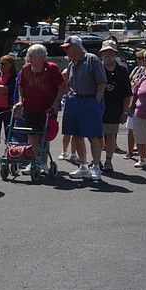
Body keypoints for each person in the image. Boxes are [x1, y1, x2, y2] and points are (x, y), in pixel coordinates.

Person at [60, 35, 107, 181]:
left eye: (68, 48)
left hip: (89, 100)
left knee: (93, 136)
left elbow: (102, 82)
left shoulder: (91, 59)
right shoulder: (71, 64)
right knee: (77, 135)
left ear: (76, 47)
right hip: (75, 101)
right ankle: (84, 166)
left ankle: (96, 168)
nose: (66, 51)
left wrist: (96, 101)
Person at [14, 44, 66, 174]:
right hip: (30, 108)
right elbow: (21, 86)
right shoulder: (26, 69)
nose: (29, 58)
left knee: (44, 136)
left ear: (42, 57)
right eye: (29, 55)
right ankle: (33, 162)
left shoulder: (51, 68)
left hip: (47, 109)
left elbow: (61, 86)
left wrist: (56, 103)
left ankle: (43, 163)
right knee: (32, 136)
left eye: (33, 56)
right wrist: (21, 100)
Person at [96, 40, 132, 173]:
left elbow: (127, 94)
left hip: (114, 109)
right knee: (97, 136)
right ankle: (96, 161)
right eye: (105, 51)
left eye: (110, 51)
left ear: (115, 54)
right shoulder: (97, 68)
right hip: (97, 109)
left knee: (111, 136)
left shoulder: (122, 70)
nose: (107, 54)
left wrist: (125, 111)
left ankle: (108, 161)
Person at [123, 51, 146, 160]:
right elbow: (129, 81)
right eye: (139, 58)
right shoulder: (137, 70)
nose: (140, 61)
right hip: (134, 100)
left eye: (143, 58)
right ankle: (130, 151)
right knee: (131, 128)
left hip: (145, 102)